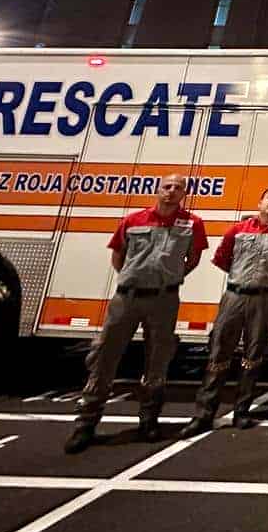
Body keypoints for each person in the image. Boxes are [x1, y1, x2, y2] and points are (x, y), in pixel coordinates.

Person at [64, 175, 207, 454]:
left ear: (185, 193)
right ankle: (86, 424)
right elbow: (118, 256)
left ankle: (149, 420)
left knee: (158, 360)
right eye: (167, 187)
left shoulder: (193, 224)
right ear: (158, 189)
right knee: (105, 357)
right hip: (126, 299)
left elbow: (193, 259)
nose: (171, 192)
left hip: (164, 299)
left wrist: (169, 278)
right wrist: (134, 279)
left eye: (178, 188)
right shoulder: (133, 220)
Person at [181, 187, 268, 437]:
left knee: (253, 357)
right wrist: (242, 279)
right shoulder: (238, 229)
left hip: (265, 298)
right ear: (260, 202)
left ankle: (242, 411)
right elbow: (222, 258)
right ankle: (203, 414)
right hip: (234, 296)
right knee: (219, 354)